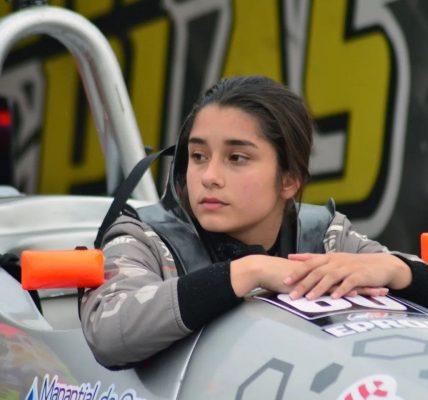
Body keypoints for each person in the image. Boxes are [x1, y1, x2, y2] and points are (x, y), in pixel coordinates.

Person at [80, 75, 428, 368]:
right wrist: (249, 272)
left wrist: (397, 269)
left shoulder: (327, 236)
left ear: (289, 179)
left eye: (236, 158)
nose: (209, 176)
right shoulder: (143, 237)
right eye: (198, 156)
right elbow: (108, 333)